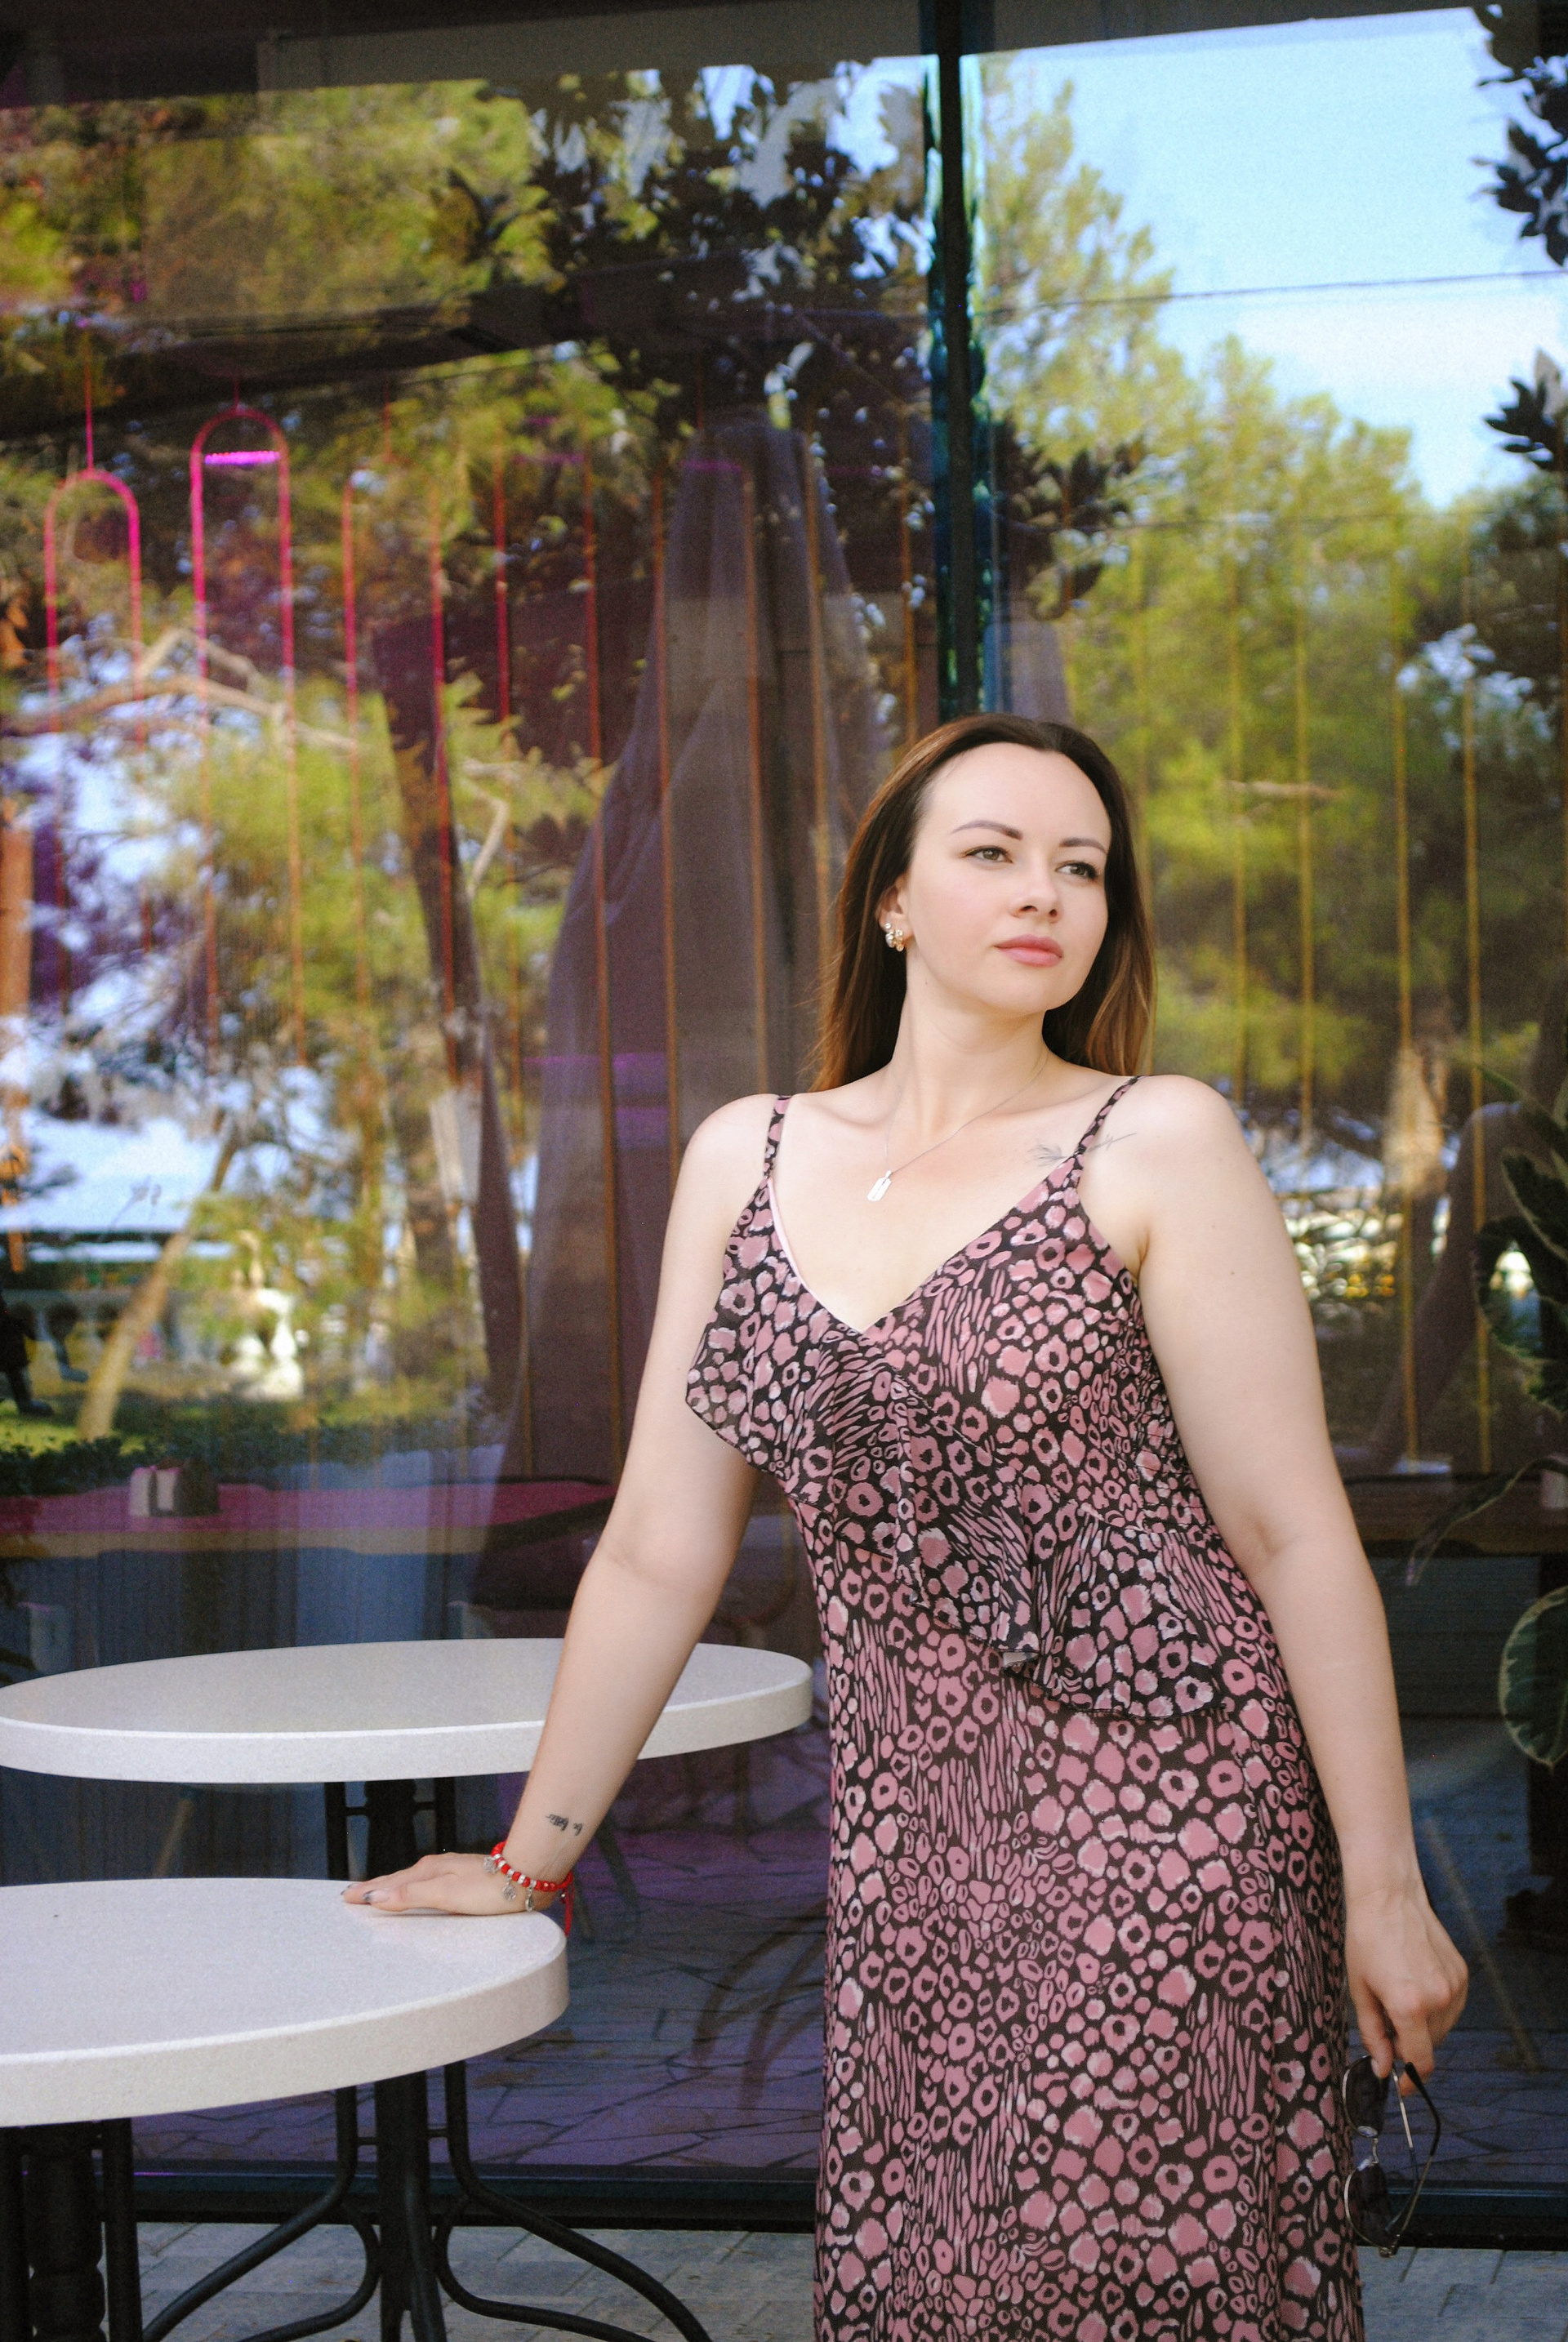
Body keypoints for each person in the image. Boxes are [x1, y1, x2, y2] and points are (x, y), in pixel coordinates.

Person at [349, 715, 1466, 2340]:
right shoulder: (748, 1157)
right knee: (929, 2271)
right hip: (907, 1853)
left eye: (1082, 866)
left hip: (1174, 1813)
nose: (1046, 893)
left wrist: (1385, 1885)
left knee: (1128, 2271)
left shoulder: (1156, 1139)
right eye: (993, 853)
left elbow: (1292, 1535)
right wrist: (533, 1863)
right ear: (891, 901)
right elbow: (659, 1548)